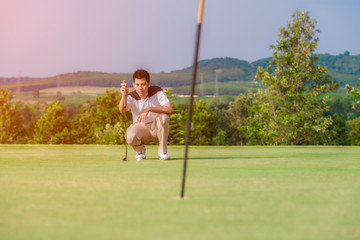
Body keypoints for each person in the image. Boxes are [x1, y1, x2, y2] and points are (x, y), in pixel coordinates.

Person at [119, 69, 173, 162]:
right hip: (141, 129)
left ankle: (162, 152)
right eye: (137, 85)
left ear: (148, 84)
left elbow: (169, 109)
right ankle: (140, 150)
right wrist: (124, 95)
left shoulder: (157, 91)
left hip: (157, 129)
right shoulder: (131, 96)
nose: (140, 88)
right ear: (133, 85)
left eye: (143, 84)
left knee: (164, 117)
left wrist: (148, 109)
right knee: (129, 136)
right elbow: (122, 110)